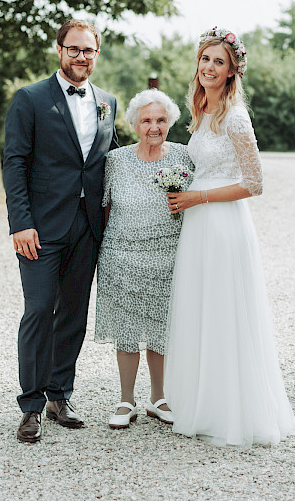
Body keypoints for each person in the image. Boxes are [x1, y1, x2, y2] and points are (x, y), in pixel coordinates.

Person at [163, 27, 295, 446]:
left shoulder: (236, 118)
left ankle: (237, 413)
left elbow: (255, 183)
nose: (209, 67)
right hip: (198, 225)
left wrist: (198, 196)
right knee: (202, 310)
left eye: (219, 62)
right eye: (205, 59)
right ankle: (205, 404)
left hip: (223, 225)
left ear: (232, 71)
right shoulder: (201, 114)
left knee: (225, 312)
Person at [3, 19, 119, 443]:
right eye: (74, 49)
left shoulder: (108, 102)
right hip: (40, 230)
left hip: (87, 229)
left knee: (72, 314)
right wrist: (21, 223)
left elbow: (114, 159)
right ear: (58, 50)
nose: (81, 57)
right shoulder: (30, 99)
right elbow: (14, 162)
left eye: (88, 51)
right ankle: (30, 406)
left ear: (97, 54)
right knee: (38, 311)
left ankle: (59, 396)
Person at [94, 89, 193, 429]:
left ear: (170, 123)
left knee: (161, 330)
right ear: (135, 124)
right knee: (126, 330)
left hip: (168, 256)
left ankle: (158, 397)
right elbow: (103, 209)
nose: (154, 126)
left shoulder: (183, 156)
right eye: (147, 120)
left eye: (161, 120)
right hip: (121, 255)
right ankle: (125, 400)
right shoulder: (116, 161)